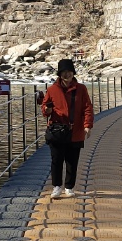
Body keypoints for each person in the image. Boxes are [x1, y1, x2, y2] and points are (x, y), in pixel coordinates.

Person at [42, 58, 94, 198]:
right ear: (59, 74)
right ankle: (56, 186)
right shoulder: (52, 89)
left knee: (72, 161)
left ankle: (69, 187)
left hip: (75, 130)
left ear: (73, 73)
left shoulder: (81, 89)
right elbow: (45, 109)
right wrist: (47, 110)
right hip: (57, 130)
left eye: (69, 71)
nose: (67, 74)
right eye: (64, 72)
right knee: (56, 160)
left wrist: (87, 125)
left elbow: (87, 108)